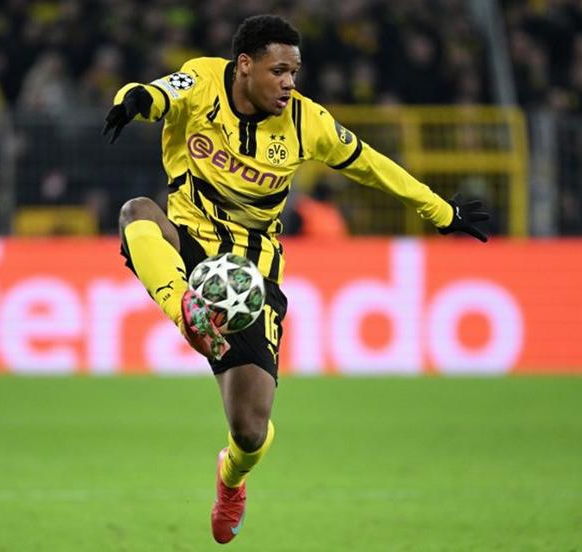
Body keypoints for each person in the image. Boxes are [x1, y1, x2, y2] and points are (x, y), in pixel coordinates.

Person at [103, 14, 488, 545]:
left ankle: (231, 479)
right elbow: (155, 93)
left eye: (295, 72)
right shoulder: (203, 81)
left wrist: (440, 210)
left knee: (250, 430)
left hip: (253, 275)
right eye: (279, 70)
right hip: (187, 243)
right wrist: (133, 99)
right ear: (244, 65)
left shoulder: (308, 122)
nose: (290, 82)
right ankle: (186, 312)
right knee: (136, 211)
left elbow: (372, 165)